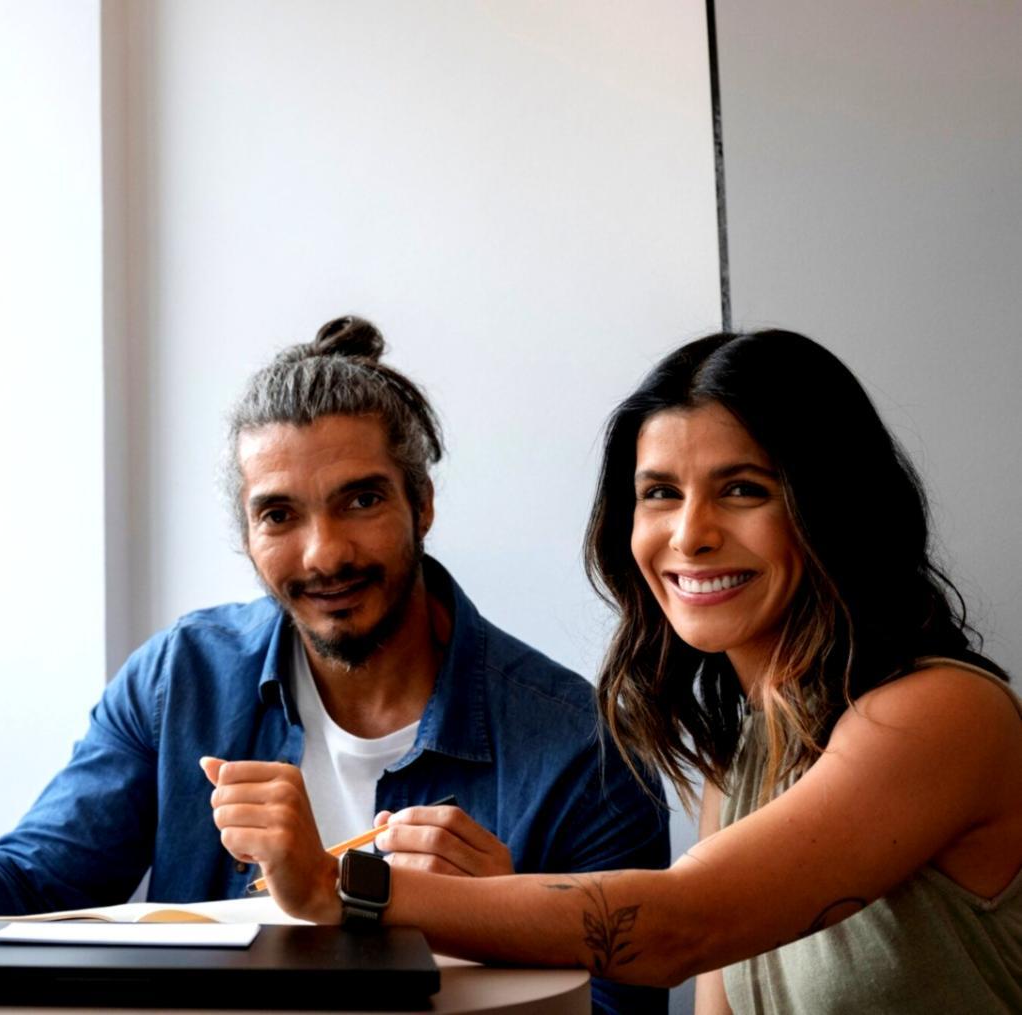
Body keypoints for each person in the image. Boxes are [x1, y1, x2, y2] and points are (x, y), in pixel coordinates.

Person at [0, 316, 670, 1014]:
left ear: (421, 505)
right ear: (246, 535)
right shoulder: (181, 676)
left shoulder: (585, 749)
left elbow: (620, 1005)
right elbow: (43, 874)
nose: (323, 553)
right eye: (279, 515)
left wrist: (502, 922)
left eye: (360, 500)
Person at [209, 329, 1022, 1013]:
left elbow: (677, 925)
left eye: (741, 489)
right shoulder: (738, 757)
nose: (689, 534)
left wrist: (337, 886)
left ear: (832, 506)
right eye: (659, 493)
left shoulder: (942, 714)